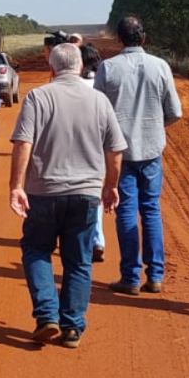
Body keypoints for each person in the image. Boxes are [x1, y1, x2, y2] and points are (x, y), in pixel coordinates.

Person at [9, 43, 126, 348]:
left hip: (43, 193)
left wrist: (16, 186)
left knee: (36, 250)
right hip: (85, 194)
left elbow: (23, 143)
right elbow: (115, 150)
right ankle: (72, 327)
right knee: (78, 260)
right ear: (80, 68)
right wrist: (111, 186)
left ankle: (47, 315)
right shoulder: (99, 100)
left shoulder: (38, 97)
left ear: (52, 67)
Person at [94, 16, 182, 295]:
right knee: (151, 211)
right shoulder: (161, 66)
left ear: (119, 39)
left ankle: (130, 277)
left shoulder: (107, 68)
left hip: (120, 154)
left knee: (126, 213)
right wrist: (155, 126)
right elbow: (175, 112)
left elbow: (97, 113)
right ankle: (155, 275)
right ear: (143, 38)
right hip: (152, 151)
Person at [79, 42, 105, 260]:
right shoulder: (102, 82)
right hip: (98, 143)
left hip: (74, 143)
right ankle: (97, 238)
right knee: (94, 191)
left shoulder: (73, 83)